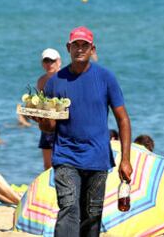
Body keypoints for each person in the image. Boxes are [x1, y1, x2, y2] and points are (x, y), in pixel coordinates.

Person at [36, 26, 133, 237]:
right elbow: (50, 127)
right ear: (68, 48)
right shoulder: (55, 82)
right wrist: (41, 121)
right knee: (69, 208)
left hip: (98, 158)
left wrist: (126, 159)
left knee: (92, 215)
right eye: (76, 45)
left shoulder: (106, 78)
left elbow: (123, 119)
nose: (80, 49)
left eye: (84, 45)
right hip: (66, 156)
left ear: (92, 48)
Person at [37, 48, 62, 170]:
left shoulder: (66, 78)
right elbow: (39, 104)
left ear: (59, 62)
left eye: (52, 61)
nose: (49, 64)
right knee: (47, 166)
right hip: (47, 127)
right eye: (46, 61)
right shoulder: (41, 81)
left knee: (64, 164)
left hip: (64, 126)